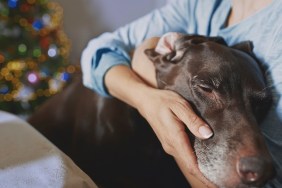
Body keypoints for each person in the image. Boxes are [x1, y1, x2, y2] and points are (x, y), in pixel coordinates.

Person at [81, 0, 282, 187]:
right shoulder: (201, 5)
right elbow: (97, 52)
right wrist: (149, 101)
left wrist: (178, 140)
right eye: (206, 89)